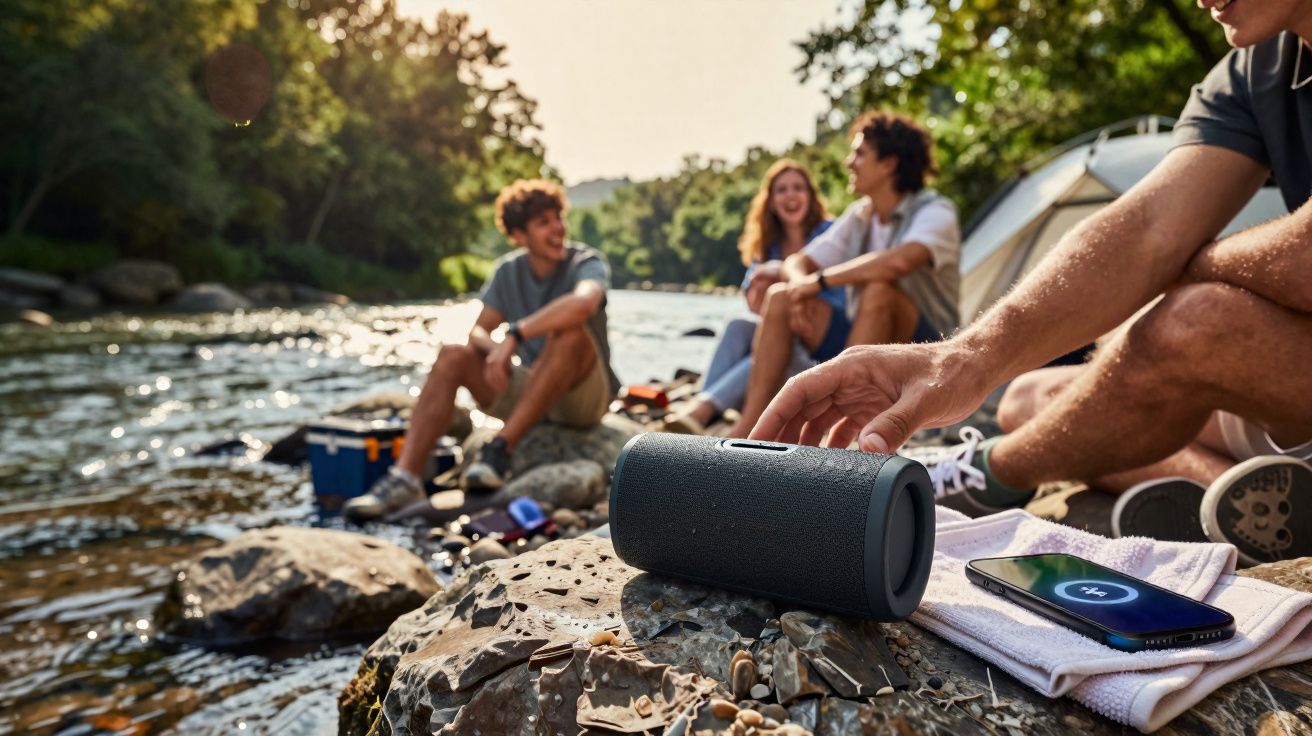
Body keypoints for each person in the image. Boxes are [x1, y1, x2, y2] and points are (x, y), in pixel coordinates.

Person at [749, 1, 1312, 566]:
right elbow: (1145, 229)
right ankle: (1250, 491)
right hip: (1286, 379)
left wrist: (1187, 263)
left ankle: (992, 474)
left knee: (1193, 321)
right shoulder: (1254, 68)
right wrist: (962, 360)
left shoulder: (931, 210)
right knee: (1025, 400)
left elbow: (1293, 256)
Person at [346, 179, 620, 520]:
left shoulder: (586, 262)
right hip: (533, 388)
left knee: (568, 333)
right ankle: (405, 478)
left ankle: (499, 450)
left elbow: (583, 304)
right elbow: (476, 328)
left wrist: (515, 335)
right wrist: (494, 348)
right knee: (453, 354)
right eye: (544, 223)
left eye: (558, 218)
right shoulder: (509, 271)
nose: (558, 229)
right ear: (520, 236)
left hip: (582, 398)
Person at [729, 111, 960, 437]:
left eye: (859, 154)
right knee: (779, 296)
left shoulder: (936, 211)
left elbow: (899, 262)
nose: (849, 162)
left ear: (889, 164)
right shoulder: (860, 215)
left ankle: (843, 432)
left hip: (923, 350)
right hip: (861, 337)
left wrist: (821, 281)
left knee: (879, 290)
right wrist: (800, 289)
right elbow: (799, 261)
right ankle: (748, 430)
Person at [664, 159, 838, 433]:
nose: (790, 195)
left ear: (810, 195)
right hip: (776, 351)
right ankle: (703, 407)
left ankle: (704, 411)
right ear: (770, 200)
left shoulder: (830, 235)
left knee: (771, 346)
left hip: (813, 354)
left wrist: (780, 276)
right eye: (781, 190)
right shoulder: (768, 243)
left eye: (798, 188)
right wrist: (760, 292)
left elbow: (834, 297)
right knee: (738, 325)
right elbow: (754, 303)